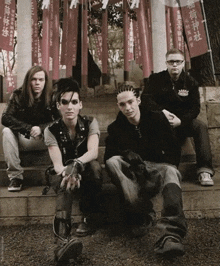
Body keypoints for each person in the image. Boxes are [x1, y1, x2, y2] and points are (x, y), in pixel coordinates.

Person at [104, 84, 187, 257]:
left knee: (171, 171)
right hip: (134, 173)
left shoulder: (157, 118)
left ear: (138, 100)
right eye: (122, 104)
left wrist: (159, 163)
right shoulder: (115, 128)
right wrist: (126, 153)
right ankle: (141, 213)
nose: (127, 108)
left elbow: (174, 150)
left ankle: (171, 234)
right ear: (118, 105)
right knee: (112, 162)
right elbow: (108, 157)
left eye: (130, 102)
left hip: (157, 168)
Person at [44, 78, 102, 263]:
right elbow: (58, 165)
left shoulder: (91, 122)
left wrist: (77, 164)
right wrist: (69, 171)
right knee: (64, 182)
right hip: (63, 171)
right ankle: (61, 242)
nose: (70, 106)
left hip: (85, 168)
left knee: (95, 168)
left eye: (74, 102)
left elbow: (92, 152)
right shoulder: (51, 130)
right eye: (65, 102)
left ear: (80, 105)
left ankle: (90, 218)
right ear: (58, 106)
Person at [141, 48, 214, 186]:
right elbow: (146, 99)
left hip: (182, 123)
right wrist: (162, 112)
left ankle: (205, 170)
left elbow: (195, 108)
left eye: (178, 62)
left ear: (183, 64)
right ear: (166, 63)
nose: (174, 65)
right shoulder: (155, 79)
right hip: (161, 122)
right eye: (171, 62)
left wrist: (181, 120)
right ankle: (163, 170)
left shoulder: (191, 82)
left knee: (200, 126)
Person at [1, 65, 55, 192]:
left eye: (41, 80)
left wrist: (41, 129)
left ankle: (57, 171)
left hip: (46, 140)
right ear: (28, 81)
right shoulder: (18, 95)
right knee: (6, 131)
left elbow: (60, 120)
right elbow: (5, 118)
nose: (37, 83)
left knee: (60, 128)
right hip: (25, 139)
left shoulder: (52, 96)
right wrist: (29, 128)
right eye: (34, 79)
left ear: (45, 82)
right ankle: (16, 178)